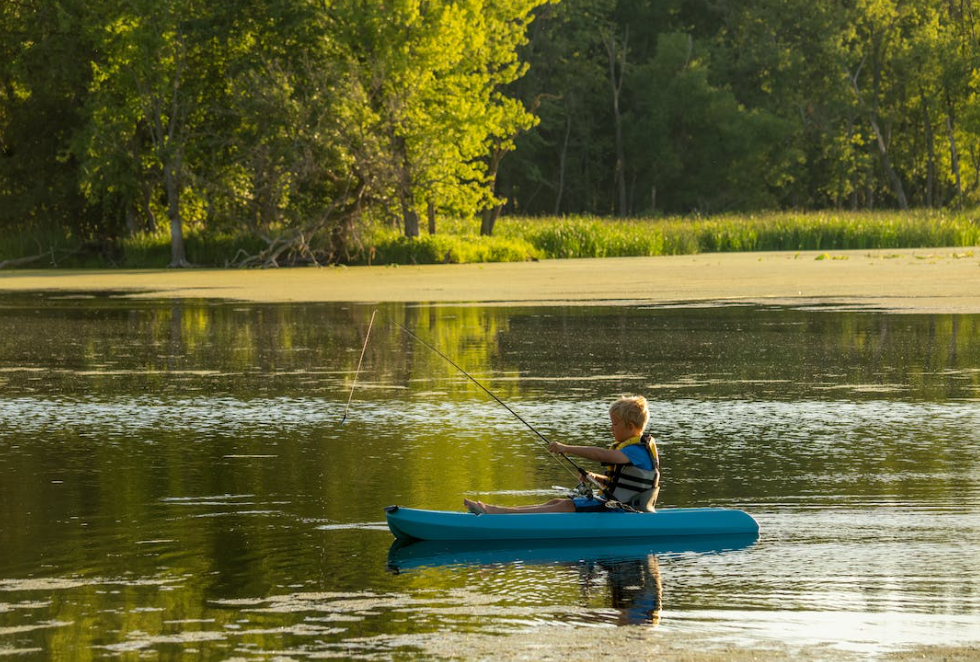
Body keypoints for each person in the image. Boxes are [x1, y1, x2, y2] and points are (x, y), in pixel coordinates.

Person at [463, 395, 660, 514]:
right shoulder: (630, 451)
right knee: (557, 502)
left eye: (615, 424)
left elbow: (602, 455)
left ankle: (496, 514)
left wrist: (566, 448)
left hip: (624, 511)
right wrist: (594, 477)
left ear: (632, 427)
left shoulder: (637, 451)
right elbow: (618, 481)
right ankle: (499, 512)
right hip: (618, 507)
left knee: (566, 505)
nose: (611, 429)